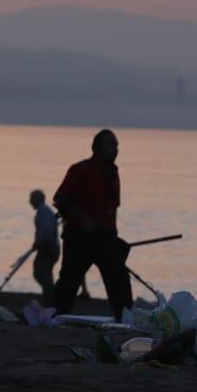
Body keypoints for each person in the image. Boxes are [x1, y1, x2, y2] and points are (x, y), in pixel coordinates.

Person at [50, 129, 134, 321]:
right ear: (98, 147)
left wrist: (113, 237)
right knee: (69, 282)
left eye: (117, 145)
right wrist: (82, 219)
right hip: (79, 238)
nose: (116, 149)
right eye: (112, 145)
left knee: (119, 279)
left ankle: (126, 320)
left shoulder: (113, 173)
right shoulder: (80, 170)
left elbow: (112, 209)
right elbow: (60, 199)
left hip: (105, 238)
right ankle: (54, 316)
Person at [29, 189, 59, 303]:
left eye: (32, 199)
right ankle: (50, 296)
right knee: (45, 272)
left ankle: (51, 296)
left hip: (48, 248)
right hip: (50, 247)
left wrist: (38, 242)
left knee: (40, 272)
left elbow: (46, 231)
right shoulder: (45, 212)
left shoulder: (43, 212)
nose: (30, 201)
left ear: (38, 199)